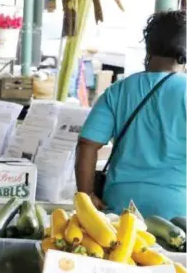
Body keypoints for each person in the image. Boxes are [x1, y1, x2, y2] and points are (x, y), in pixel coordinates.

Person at [76, 11, 187, 219]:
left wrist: (87, 194)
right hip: (180, 210)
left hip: (123, 208)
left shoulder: (117, 91)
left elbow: (87, 146)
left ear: (148, 48)